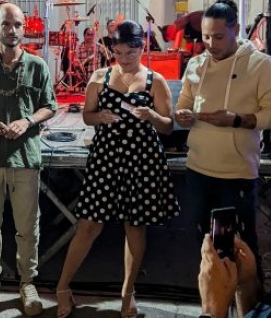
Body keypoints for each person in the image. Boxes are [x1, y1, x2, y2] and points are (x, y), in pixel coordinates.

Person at [55, 20, 180, 318]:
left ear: (142, 48)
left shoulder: (155, 81)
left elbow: (168, 126)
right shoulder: (100, 77)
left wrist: (151, 116)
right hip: (106, 157)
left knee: (134, 226)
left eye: (130, 53)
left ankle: (127, 292)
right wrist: (100, 117)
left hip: (142, 158)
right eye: (119, 53)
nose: (124, 59)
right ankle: (62, 287)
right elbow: (87, 115)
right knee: (88, 225)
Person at [174, 0, 271, 279]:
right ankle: (213, 296)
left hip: (236, 174)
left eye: (218, 36)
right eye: (205, 37)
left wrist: (235, 119)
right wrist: (182, 114)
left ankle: (249, 298)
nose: (210, 44)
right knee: (204, 242)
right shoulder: (196, 64)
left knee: (241, 246)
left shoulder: (260, 65)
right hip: (197, 168)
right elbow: (184, 102)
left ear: (236, 29)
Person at [0, 3, 57, 316]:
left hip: (25, 157)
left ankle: (27, 282)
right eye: (6, 24)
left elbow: (50, 106)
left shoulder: (37, 66)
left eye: (17, 24)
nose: (12, 30)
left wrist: (27, 121)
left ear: (24, 28)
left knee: (28, 226)